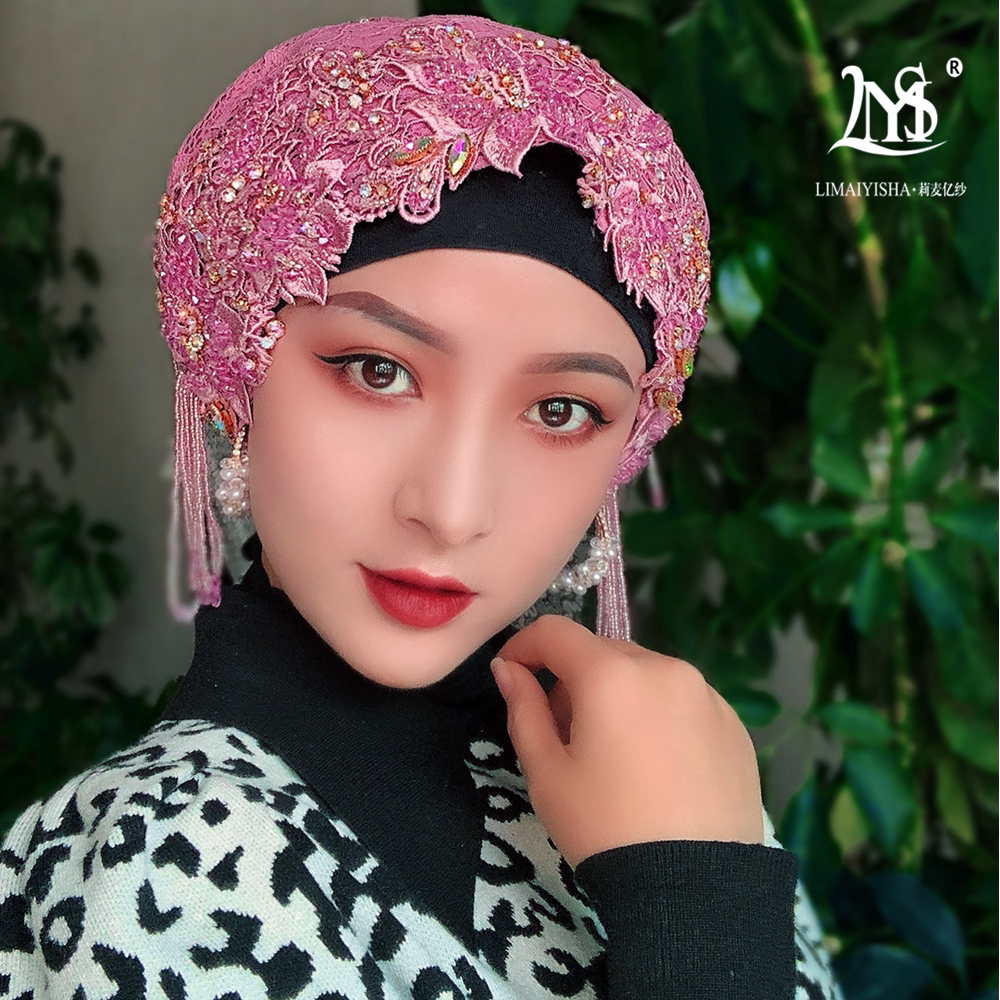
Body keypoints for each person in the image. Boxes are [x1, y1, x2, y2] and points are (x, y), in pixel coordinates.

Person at [0, 15, 840, 999]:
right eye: (377, 370)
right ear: (235, 373)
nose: (450, 509)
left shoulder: (666, 779)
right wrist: (696, 906)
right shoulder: (153, 861)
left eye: (561, 410)